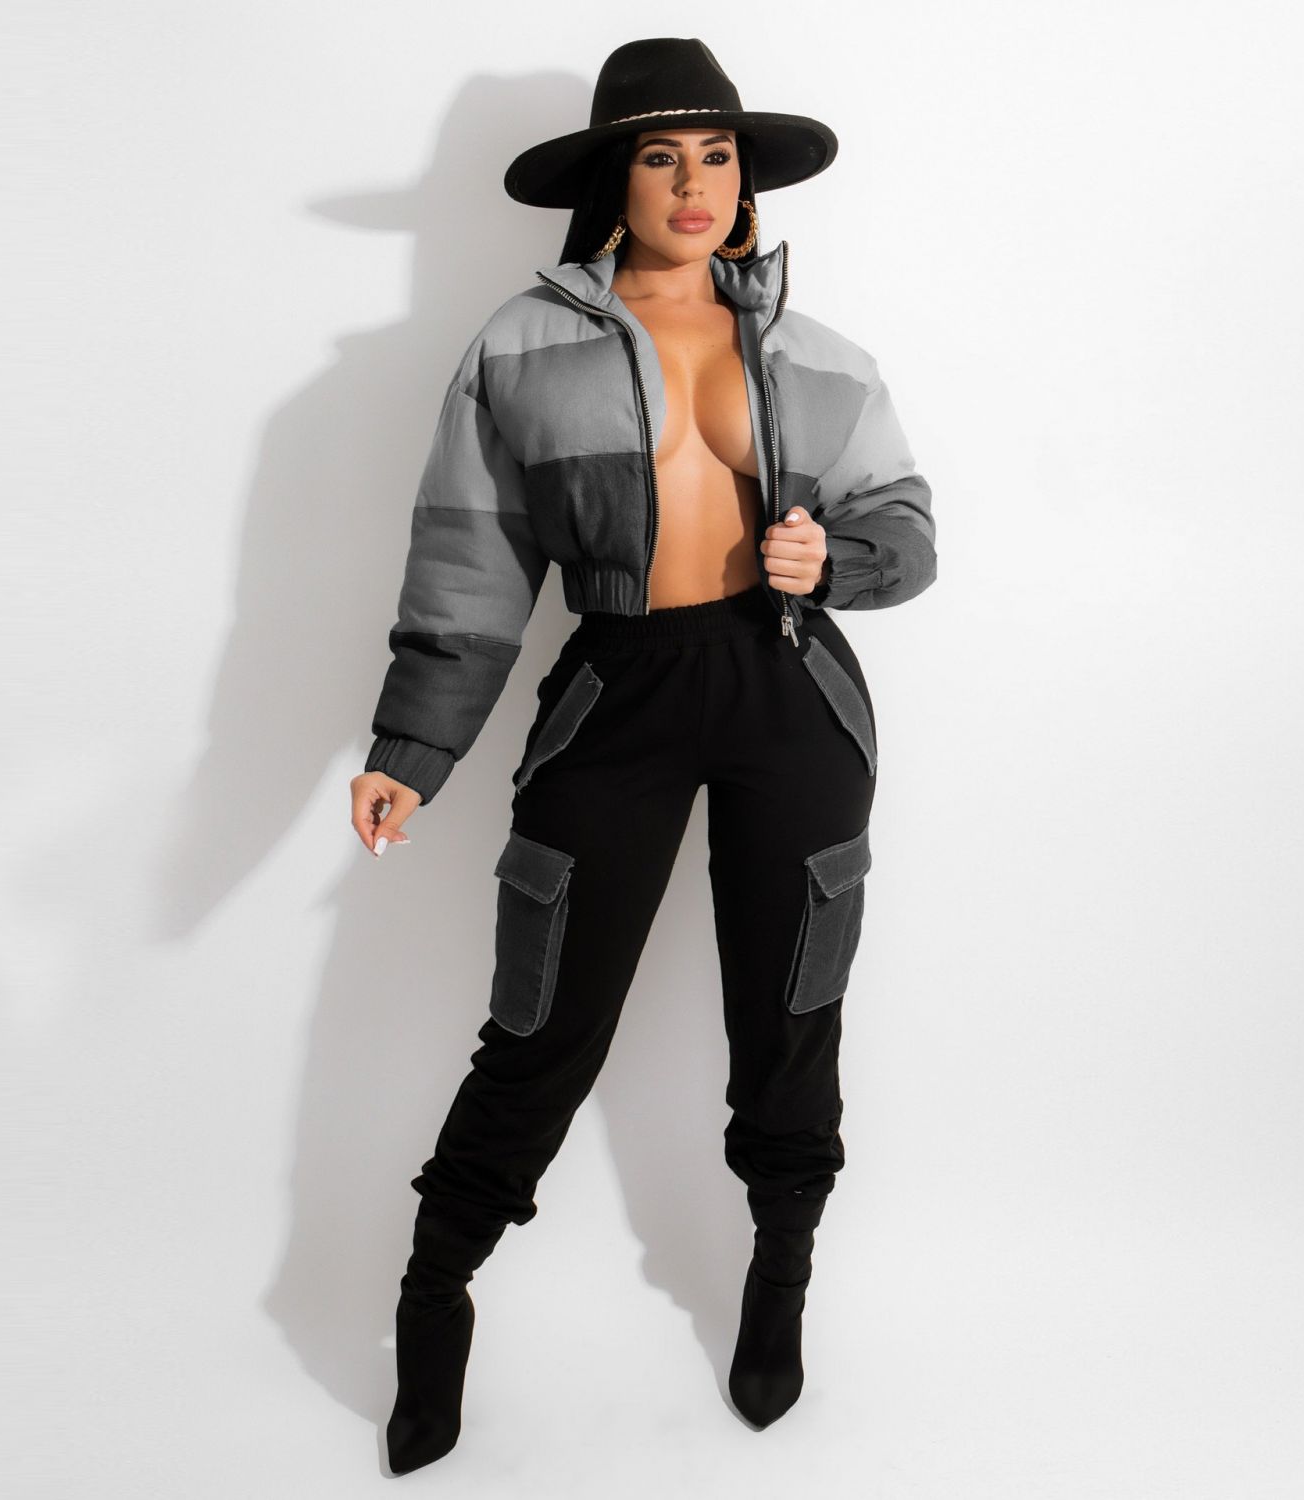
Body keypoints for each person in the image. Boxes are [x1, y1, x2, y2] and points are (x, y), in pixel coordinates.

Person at [348, 37, 937, 1473]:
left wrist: (837, 557)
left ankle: (780, 1278)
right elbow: (469, 563)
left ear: (745, 181)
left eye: (717, 156)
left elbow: (909, 527)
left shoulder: (822, 355)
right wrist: (413, 746)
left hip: (793, 693)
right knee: (541, 1020)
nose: (693, 183)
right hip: (618, 689)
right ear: (613, 179)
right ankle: (433, 1296)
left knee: (791, 1011)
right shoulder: (518, 346)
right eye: (662, 156)